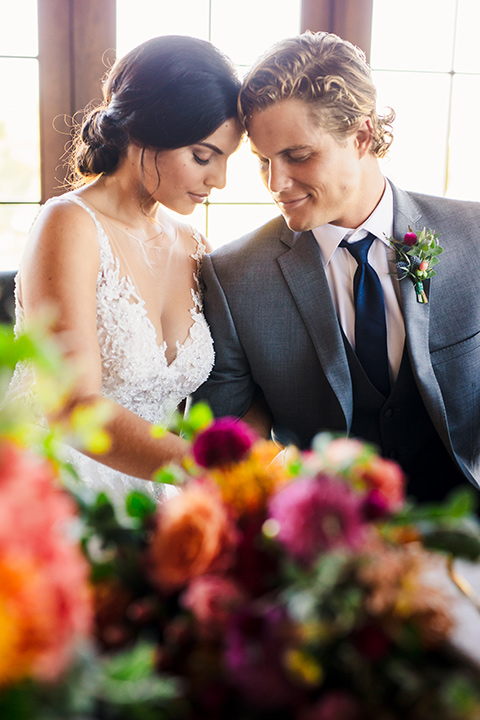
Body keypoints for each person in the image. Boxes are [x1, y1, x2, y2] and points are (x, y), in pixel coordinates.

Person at [194, 31, 480, 504]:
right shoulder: (233, 277)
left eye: (298, 155)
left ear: (362, 135)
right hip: (327, 550)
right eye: (263, 161)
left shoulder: (472, 235)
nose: (276, 183)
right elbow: (222, 453)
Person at [10, 35, 242, 503]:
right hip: (57, 488)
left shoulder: (195, 246)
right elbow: (73, 407)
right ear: (143, 132)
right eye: (202, 156)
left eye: (225, 160)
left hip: (158, 490)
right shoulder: (70, 224)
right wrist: (209, 474)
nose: (218, 180)